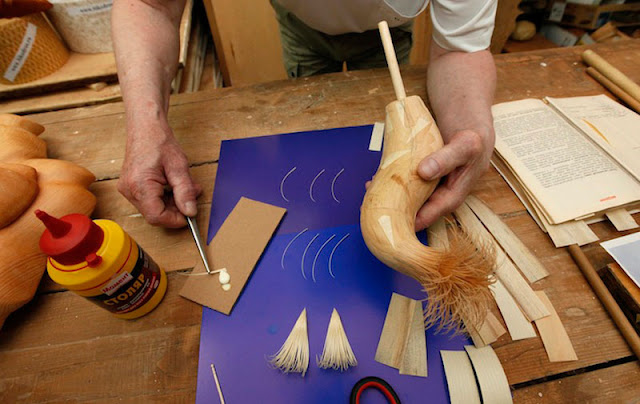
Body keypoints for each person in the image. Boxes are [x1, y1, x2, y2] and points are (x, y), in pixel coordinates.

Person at [111, 0, 497, 230]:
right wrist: (147, 127)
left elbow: (461, 48)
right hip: (301, 26)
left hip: (388, 33)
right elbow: (150, 5)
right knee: (312, 113)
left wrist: (470, 128)